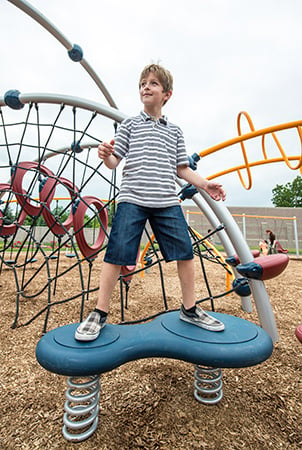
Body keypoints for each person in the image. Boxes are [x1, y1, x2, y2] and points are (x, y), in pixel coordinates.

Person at [75, 64, 226, 342]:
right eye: (143, 83)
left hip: (166, 201)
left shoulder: (175, 131)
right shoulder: (130, 125)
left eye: (153, 83)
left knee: (185, 253)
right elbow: (113, 162)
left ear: (166, 94)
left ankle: (190, 309)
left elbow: (182, 168)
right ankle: (99, 312)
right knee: (116, 254)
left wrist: (204, 184)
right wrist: (103, 154)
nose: (146, 87)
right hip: (133, 199)